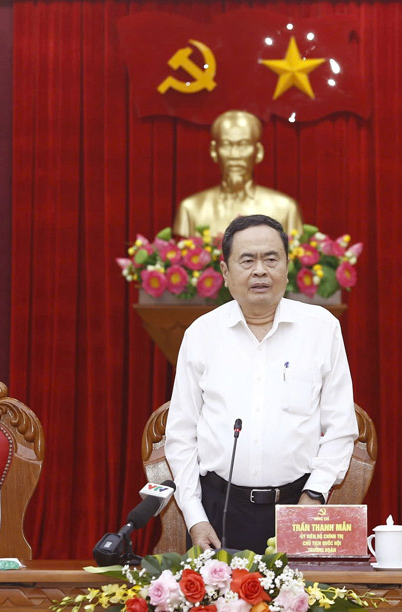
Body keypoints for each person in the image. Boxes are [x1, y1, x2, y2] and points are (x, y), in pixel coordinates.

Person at [165, 214, 357, 552]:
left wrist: (315, 495)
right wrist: (195, 518)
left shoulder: (321, 329)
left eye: (271, 259)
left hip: (299, 505)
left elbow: (341, 427)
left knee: (304, 605)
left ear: (286, 266)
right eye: (247, 260)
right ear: (226, 273)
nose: (260, 271)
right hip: (218, 510)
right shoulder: (201, 335)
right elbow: (181, 436)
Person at [172, 110, 304, 238]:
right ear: (214, 151)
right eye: (226, 144)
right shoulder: (190, 209)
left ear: (258, 152)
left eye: (243, 144)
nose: (234, 155)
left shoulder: (286, 208)